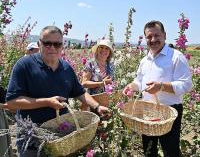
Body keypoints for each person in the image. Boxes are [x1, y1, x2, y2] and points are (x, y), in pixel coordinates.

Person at [2, 26, 108, 157]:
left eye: (57, 44)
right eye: (47, 43)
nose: (52, 48)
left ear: (62, 46)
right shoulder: (24, 65)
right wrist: (47, 102)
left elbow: (79, 92)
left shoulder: (66, 68)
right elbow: (12, 102)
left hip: (62, 137)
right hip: (32, 138)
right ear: (39, 44)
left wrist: (97, 106)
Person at [123, 20, 192, 157]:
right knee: (149, 150)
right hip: (147, 111)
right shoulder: (144, 60)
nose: (153, 39)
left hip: (169, 112)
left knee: (170, 150)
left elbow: (186, 84)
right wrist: (131, 86)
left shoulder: (176, 57)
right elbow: (139, 81)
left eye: (157, 35)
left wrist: (161, 86)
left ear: (164, 36)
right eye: (149, 36)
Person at [81, 39, 114, 110]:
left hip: (106, 101)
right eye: (101, 47)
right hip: (92, 102)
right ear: (97, 49)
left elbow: (111, 82)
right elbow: (84, 83)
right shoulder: (90, 64)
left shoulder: (110, 65)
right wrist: (101, 83)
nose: (104, 50)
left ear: (109, 52)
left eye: (107, 48)